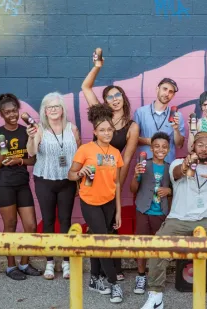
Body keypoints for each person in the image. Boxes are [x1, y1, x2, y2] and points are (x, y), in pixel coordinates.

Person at [141, 132, 207, 309]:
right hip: (179, 218)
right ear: (193, 146)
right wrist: (188, 163)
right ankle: (156, 296)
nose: (204, 149)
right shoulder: (178, 163)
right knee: (157, 245)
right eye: (200, 145)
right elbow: (178, 173)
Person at [82, 48, 139, 282]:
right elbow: (86, 87)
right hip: (91, 175)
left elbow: (126, 158)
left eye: (117, 96)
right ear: (105, 101)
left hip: (113, 178)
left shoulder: (132, 126)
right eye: (110, 96)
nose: (114, 99)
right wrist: (97, 66)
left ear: (123, 99)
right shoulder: (101, 115)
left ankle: (114, 268)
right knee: (97, 225)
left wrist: (118, 184)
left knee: (111, 223)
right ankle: (101, 273)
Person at [68, 104, 124, 304]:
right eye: (102, 130)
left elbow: (117, 183)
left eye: (109, 129)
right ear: (95, 132)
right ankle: (113, 283)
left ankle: (94, 278)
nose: (106, 133)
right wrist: (79, 173)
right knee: (102, 241)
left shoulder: (116, 153)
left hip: (108, 202)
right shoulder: (85, 149)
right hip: (89, 201)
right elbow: (70, 174)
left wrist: (118, 211)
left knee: (95, 238)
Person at [26, 92, 81, 280]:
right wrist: (31, 138)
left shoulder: (72, 129)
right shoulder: (39, 129)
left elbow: (79, 153)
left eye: (56, 106)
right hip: (45, 179)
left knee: (65, 220)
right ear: (44, 111)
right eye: (49, 107)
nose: (53, 110)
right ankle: (49, 262)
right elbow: (32, 152)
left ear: (63, 109)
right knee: (48, 220)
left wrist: (79, 180)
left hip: (67, 181)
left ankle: (66, 262)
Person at [0, 93, 41, 280]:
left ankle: (25, 263)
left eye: (14, 110)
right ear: (1, 114)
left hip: (22, 185)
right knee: (10, 225)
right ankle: (11, 267)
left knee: (30, 225)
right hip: (3, 186)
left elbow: (33, 159)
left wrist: (19, 160)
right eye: (6, 112)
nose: (11, 114)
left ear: (18, 111)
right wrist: (3, 156)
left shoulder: (24, 131)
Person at [130, 132, 171, 295]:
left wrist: (168, 190)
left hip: (160, 212)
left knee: (159, 246)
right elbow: (132, 189)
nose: (160, 149)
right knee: (142, 244)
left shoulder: (170, 168)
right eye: (157, 146)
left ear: (168, 149)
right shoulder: (143, 165)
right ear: (151, 148)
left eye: (164, 147)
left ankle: (156, 277)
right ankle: (141, 276)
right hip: (143, 210)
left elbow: (175, 190)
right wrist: (136, 175)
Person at [134, 78, 185, 164]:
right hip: (144, 165)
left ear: (173, 95)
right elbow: (132, 139)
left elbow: (179, 145)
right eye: (164, 89)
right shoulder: (140, 112)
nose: (167, 94)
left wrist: (176, 129)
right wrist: (148, 141)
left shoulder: (177, 116)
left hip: (167, 166)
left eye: (171, 92)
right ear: (157, 89)